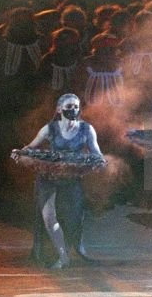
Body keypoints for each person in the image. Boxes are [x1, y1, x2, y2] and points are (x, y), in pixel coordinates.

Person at [11, 94, 105, 269]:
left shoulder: (86, 129)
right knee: (48, 218)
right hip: (49, 178)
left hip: (71, 178)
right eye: (69, 106)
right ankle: (62, 256)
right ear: (59, 109)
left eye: (76, 107)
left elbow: (96, 153)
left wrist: (98, 162)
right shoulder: (50, 128)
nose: (74, 110)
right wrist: (20, 153)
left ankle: (72, 249)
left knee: (74, 219)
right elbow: (31, 148)